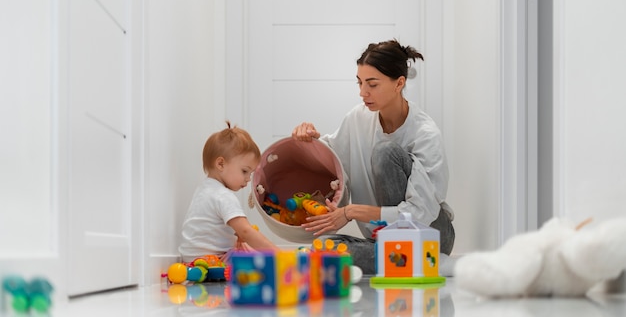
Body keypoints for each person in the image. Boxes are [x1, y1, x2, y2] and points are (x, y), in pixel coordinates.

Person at [292, 39, 455, 275]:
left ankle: (417, 257)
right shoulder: (357, 119)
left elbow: (419, 213)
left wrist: (350, 212)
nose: (362, 93)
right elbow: (331, 157)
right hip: (385, 240)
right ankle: (411, 262)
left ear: (399, 83)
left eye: (372, 84)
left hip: (430, 233)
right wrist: (308, 137)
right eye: (360, 83)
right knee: (324, 248)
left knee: (385, 152)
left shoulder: (425, 134)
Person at [179, 122, 280, 263]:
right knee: (256, 261)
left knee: (242, 248)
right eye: (244, 171)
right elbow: (246, 231)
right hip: (211, 261)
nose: (248, 179)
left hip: (190, 258)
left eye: (250, 173)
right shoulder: (223, 196)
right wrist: (278, 253)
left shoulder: (204, 190)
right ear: (220, 164)